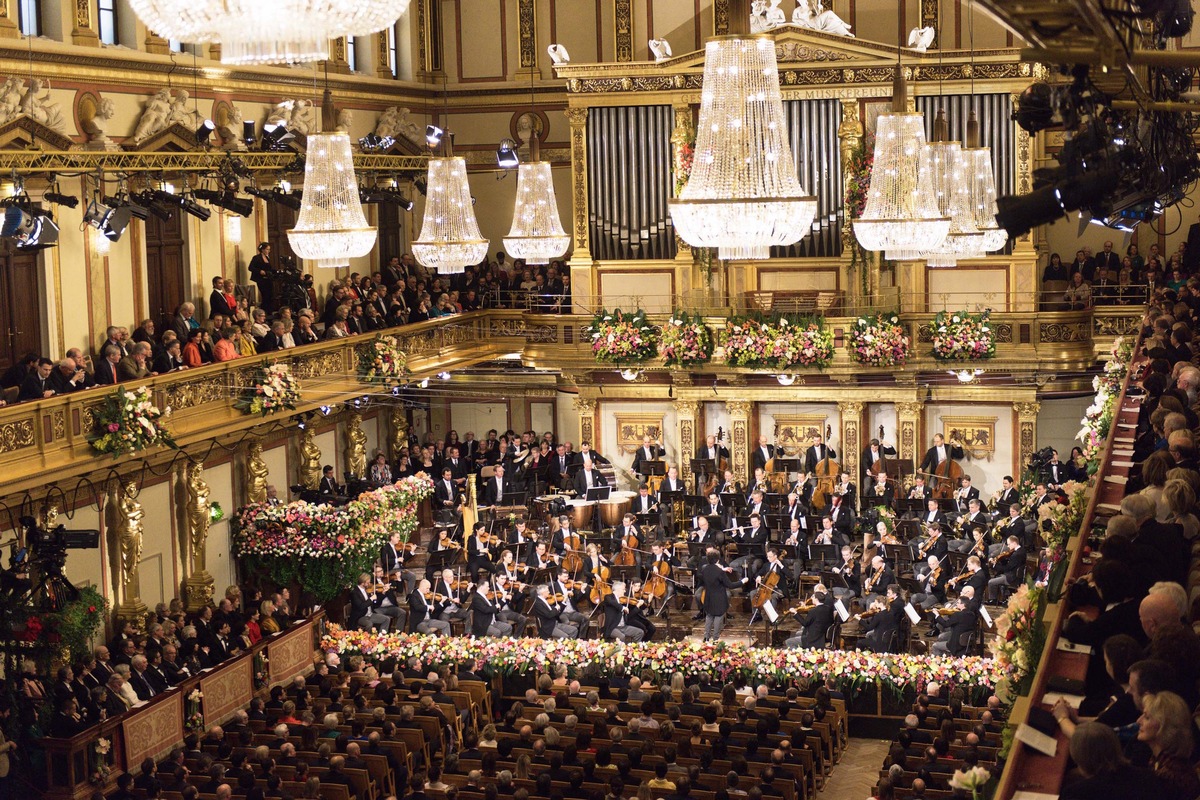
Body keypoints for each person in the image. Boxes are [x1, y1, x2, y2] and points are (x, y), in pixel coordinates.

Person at [697, 548, 743, 641]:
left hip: (708, 597)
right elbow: (730, 585)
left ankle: (706, 637)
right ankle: (715, 639)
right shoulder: (720, 572)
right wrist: (742, 582)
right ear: (718, 559)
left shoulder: (705, 569)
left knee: (709, 616)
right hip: (719, 598)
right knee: (718, 616)